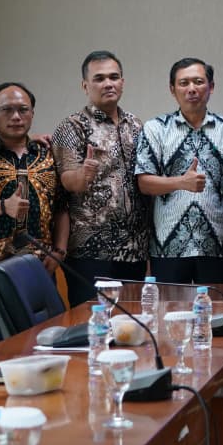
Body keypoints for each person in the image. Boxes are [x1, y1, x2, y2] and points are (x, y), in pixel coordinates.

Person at [0, 82, 69, 349]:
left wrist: (59, 251)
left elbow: (62, 208)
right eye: (7, 110)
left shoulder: (48, 156)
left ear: (32, 113)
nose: (16, 117)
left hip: (39, 269)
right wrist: (3, 207)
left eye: (22, 109)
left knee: (44, 350)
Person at [53, 50, 150, 305]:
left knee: (133, 321)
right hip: (91, 252)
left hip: (135, 249)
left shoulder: (136, 125)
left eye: (114, 77)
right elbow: (67, 182)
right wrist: (84, 174)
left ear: (122, 82)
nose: (108, 83)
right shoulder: (73, 126)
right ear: (85, 86)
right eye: (99, 78)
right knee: (92, 321)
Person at [135, 57, 223, 284]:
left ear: (211, 87)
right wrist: (180, 182)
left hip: (216, 244)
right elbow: (144, 183)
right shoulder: (155, 128)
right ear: (172, 89)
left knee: (218, 306)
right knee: (170, 307)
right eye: (184, 83)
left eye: (198, 82)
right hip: (167, 246)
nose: (192, 89)